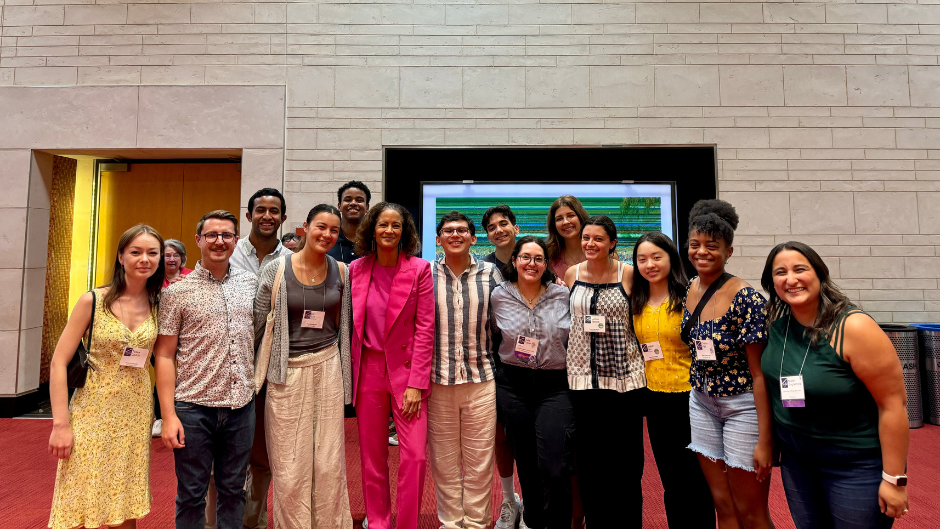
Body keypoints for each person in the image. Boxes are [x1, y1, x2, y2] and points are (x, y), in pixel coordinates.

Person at [760, 241, 910, 528]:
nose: (790, 279)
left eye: (799, 269)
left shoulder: (854, 327)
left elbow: (893, 405)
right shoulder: (779, 326)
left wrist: (894, 479)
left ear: (819, 274)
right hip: (797, 460)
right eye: (780, 272)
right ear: (772, 283)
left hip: (853, 462)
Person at [48, 224, 165, 529]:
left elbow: (165, 359)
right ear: (121, 256)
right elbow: (59, 363)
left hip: (136, 408)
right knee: (79, 485)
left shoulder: (158, 305)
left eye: (152, 253)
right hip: (93, 406)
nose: (144, 259)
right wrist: (60, 424)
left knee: (124, 489)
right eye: (136, 252)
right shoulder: (94, 301)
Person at [154, 210, 259, 529]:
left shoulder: (250, 283)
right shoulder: (176, 293)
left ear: (236, 241)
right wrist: (168, 415)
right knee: (191, 494)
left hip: (241, 406)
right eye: (212, 235)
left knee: (233, 491)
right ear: (198, 240)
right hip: (192, 408)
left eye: (227, 235)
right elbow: (164, 355)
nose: (219, 241)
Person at [254, 204, 353, 529]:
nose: (326, 234)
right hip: (286, 373)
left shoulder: (342, 271)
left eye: (334, 230)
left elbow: (343, 326)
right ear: (306, 227)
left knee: (328, 462)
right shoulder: (276, 269)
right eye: (320, 227)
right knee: (289, 463)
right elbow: (256, 325)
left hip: (327, 367)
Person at [683, 199, 772, 529]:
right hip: (702, 403)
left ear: (729, 251)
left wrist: (765, 439)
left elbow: (759, 374)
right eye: (695, 245)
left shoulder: (746, 298)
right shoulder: (689, 288)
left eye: (712, 246)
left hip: (742, 407)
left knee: (752, 511)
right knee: (722, 503)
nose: (702, 252)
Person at [344, 202, 433, 529]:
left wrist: (416, 383)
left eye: (396, 225)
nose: (389, 231)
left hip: (407, 373)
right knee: (372, 456)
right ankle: (378, 521)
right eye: (383, 224)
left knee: (415, 456)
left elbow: (425, 328)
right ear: (372, 228)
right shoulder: (356, 269)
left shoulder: (420, 269)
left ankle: (407, 523)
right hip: (367, 370)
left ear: (405, 231)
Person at [564, 215, 645, 528]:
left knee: (626, 465)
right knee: (590, 464)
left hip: (624, 382)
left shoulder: (630, 274)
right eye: (586, 238)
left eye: (598, 239)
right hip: (582, 382)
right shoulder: (572, 274)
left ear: (613, 242)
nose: (590, 244)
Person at [631, 232, 715, 528]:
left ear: (670, 258)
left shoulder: (690, 296)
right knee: (671, 478)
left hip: (692, 398)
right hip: (655, 399)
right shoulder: (636, 299)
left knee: (696, 478)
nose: (649, 264)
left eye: (657, 257)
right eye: (642, 259)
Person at [491, 236, 573, 529]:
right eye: (525, 257)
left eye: (539, 258)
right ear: (514, 261)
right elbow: (491, 336)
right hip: (513, 386)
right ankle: (534, 520)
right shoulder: (498, 296)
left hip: (555, 386)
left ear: (546, 264)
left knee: (554, 466)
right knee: (525, 464)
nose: (532, 263)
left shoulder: (563, 295)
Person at [428, 211, 502, 529]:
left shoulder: (491, 274)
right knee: (444, 461)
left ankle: (476, 522)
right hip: (437, 381)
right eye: (448, 230)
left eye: (462, 230)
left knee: (479, 461)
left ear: (474, 238)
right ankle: (450, 522)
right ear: (438, 238)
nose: (455, 235)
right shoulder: (425, 274)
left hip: (482, 379)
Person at [229, 187, 293, 529]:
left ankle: (252, 521)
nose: (267, 216)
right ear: (249, 214)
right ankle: (225, 519)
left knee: (262, 452)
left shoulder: (291, 259)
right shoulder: (228, 252)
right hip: (227, 363)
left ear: (284, 218)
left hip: (270, 366)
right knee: (226, 453)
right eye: (261, 209)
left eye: (274, 211)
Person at [480, 205, 523, 528]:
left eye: (503, 224)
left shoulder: (535, 258)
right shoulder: (483, 269)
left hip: (541, 365)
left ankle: (534, 502)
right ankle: (509, 501)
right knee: (501, 436)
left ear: (516, 227)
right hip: (496, 363)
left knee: (535, 436)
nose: (498, 230)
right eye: (492, 227)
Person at [328, 180, 371, 264]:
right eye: (347, 200)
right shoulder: (328, 238)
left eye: (359, 200)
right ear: (339, 206)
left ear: (367, 207)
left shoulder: (374, 240)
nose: (353, 203)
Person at [546, 195, 589, 280]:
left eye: (570, 215)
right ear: (554, 225)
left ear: (580, 217)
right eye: (559, 219)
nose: (565, 222)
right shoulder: (548, 256)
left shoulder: (601, 251)